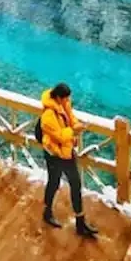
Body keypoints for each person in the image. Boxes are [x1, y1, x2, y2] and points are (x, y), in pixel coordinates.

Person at [39, 82, 98, 237]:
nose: (68, 101)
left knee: (76, 184)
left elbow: (70, 117)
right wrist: (74, 131)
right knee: (54, 182)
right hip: (54, 154)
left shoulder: (64, 104)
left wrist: (77, 125)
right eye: (65, 98)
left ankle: (80, 221)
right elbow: (58, 135)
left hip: (67, 152)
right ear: (58, 97)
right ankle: (47, 211)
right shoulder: (48, 116)